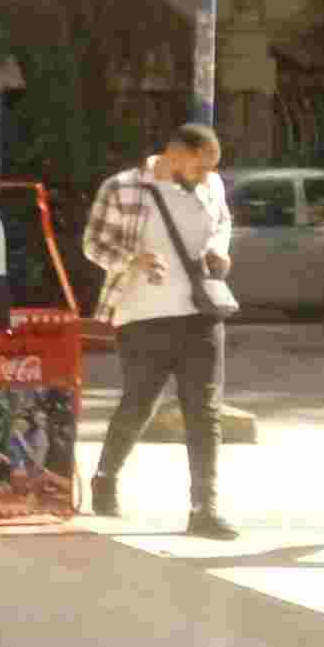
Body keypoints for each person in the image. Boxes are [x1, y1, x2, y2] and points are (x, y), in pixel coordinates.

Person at [80, 123, 239, 541]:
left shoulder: (212, 186)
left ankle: (204, 509)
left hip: (201, 313)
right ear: (176, 153)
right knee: (139, 403)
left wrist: (219, 251)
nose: (206, 176)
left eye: (210, 169)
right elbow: (94, 245)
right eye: (200, 166)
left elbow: (223, 223)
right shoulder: (123, 187)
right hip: (142, 316)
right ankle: (105, 476)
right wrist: (132, 260)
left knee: (204, 411)